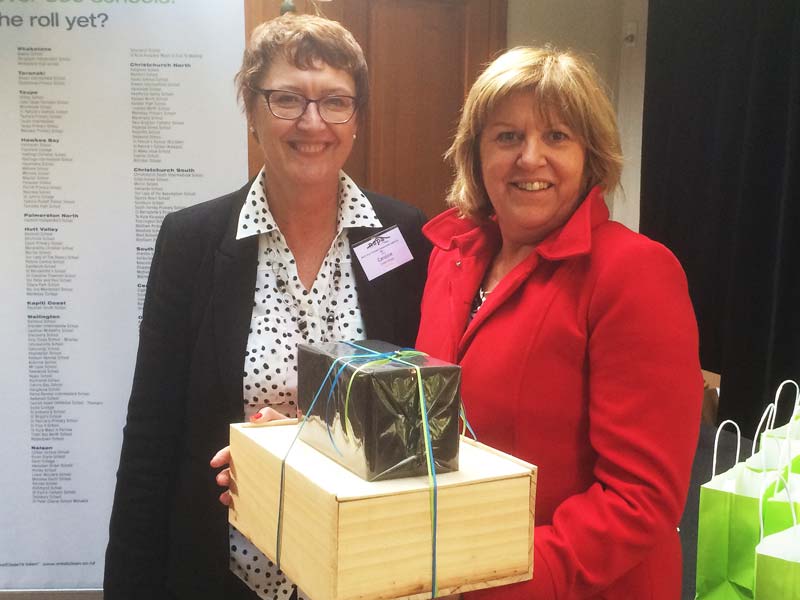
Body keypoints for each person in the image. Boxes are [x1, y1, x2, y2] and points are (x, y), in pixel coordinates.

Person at [104, 14, 429, 600]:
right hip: (226, 573)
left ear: (355, 120)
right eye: (287, 99)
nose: (312, 122)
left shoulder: (403, 238)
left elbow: (419, 411)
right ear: (253, 112)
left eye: (335, 101)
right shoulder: (192, 241)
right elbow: (152, 429)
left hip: (367, 571)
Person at [415, 46, 702, 599]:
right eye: (506, 137)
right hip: (450, 568)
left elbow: (640, 498)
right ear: (476, 155)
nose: (530, 158)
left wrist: (502, 578)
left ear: (590, 158)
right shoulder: (451, 258)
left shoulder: (635, 274)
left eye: (556, 137)